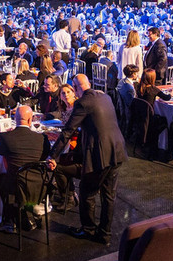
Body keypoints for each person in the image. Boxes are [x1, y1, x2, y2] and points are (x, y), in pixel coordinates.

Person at [47, 74, 127, 244]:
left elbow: (68, 131)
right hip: (117, 150)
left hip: (101, 154)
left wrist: (53, 155)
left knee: (86, 191)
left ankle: (88, 229)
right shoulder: (104, 96)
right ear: (89, 84)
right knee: (109, 195)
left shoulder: (82, 103)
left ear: (75, 88)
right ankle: (105, 234)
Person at [0, 105, 50, 232]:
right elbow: (45, 157)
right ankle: (28, 213)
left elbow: (0, 152)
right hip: (39, 185)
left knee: (1, 179)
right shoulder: (42, 138)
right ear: (30, 120)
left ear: (15, 118)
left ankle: (9, 220)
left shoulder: (4, 137)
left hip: (16, 186)